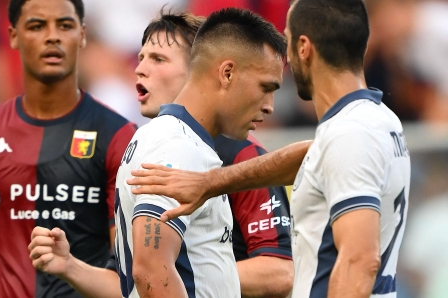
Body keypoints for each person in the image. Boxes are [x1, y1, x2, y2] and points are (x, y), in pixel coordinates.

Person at [128, 0, 411, 297]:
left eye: (287, 40)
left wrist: (205, 273)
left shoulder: (349, 134)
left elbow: (359, 260)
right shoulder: (379, 121)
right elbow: (310, 155)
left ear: (303, 48)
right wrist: (210, 182)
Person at [29, 10, 299, 298]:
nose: (139, 69)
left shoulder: (159, 142)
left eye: (158, 59)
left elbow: (134, 277)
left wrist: (71, 266)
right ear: (222, 71)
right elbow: (149, 271)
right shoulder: (173, 145)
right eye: (142, 57)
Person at [0, 0, 136, 297]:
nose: (52, 36)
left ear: (83, 34)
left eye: (64, 25)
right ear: (13, 36)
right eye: (37, 26)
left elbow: (133, 274)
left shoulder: (119, 137)